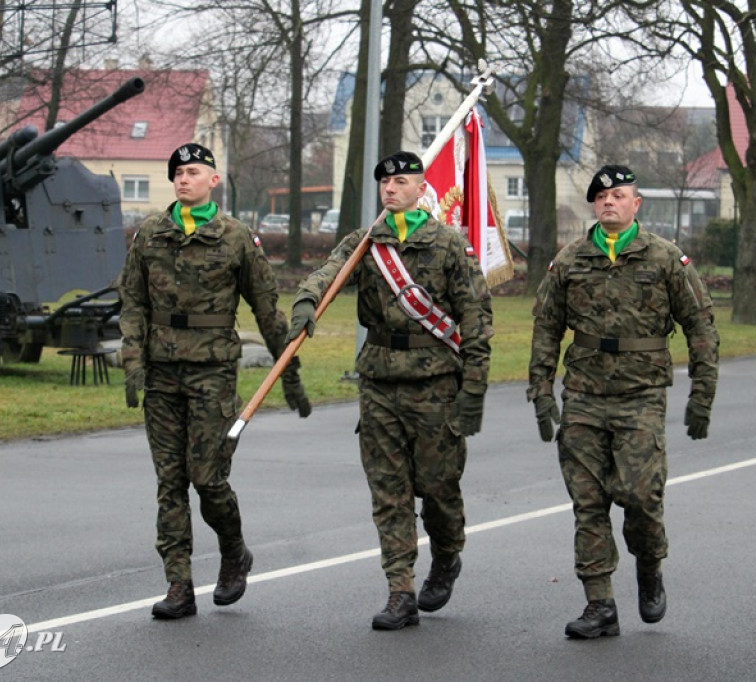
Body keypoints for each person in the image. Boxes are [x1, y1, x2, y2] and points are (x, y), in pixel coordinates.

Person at [288, 151, 494, 631]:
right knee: (389, 491)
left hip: (436, 383)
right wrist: (305, 300)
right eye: (385, 183)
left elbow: (477, 321)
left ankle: (446, 555)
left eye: (402, 182)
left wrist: (475, 390)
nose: (391, 189)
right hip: (379, 381)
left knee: (439, 489)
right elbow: (328, 274)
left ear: (422, 189)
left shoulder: (447, 246)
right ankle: (399, 590)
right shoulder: (366, 243)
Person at [118, 142, 312, 620]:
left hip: (212, 373)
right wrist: (132, 362)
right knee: (170, 482)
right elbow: (133, 304)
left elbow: (266, 309)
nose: (183, 179)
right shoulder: (149, 235)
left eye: (193, 172)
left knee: (207, 479)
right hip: (162, 374)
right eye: (177, 172)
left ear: (213, 179)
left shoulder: (235, 238)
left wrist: (288, 375)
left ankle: (233, 551)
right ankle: (179, 585)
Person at [528, 164, 719, 639]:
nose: (609, 201)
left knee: (640, 495)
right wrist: (540, 390)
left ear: (637, 204)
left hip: (641, 395)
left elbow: (700, 325)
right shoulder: (570, 260)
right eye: (602, 196)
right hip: (585, 396)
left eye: (619, 195)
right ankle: (599, 604)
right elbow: (546, 327)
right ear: (594, 205)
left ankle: (649, 565)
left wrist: (702, 395)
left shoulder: (664, 258)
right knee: (587, 502)